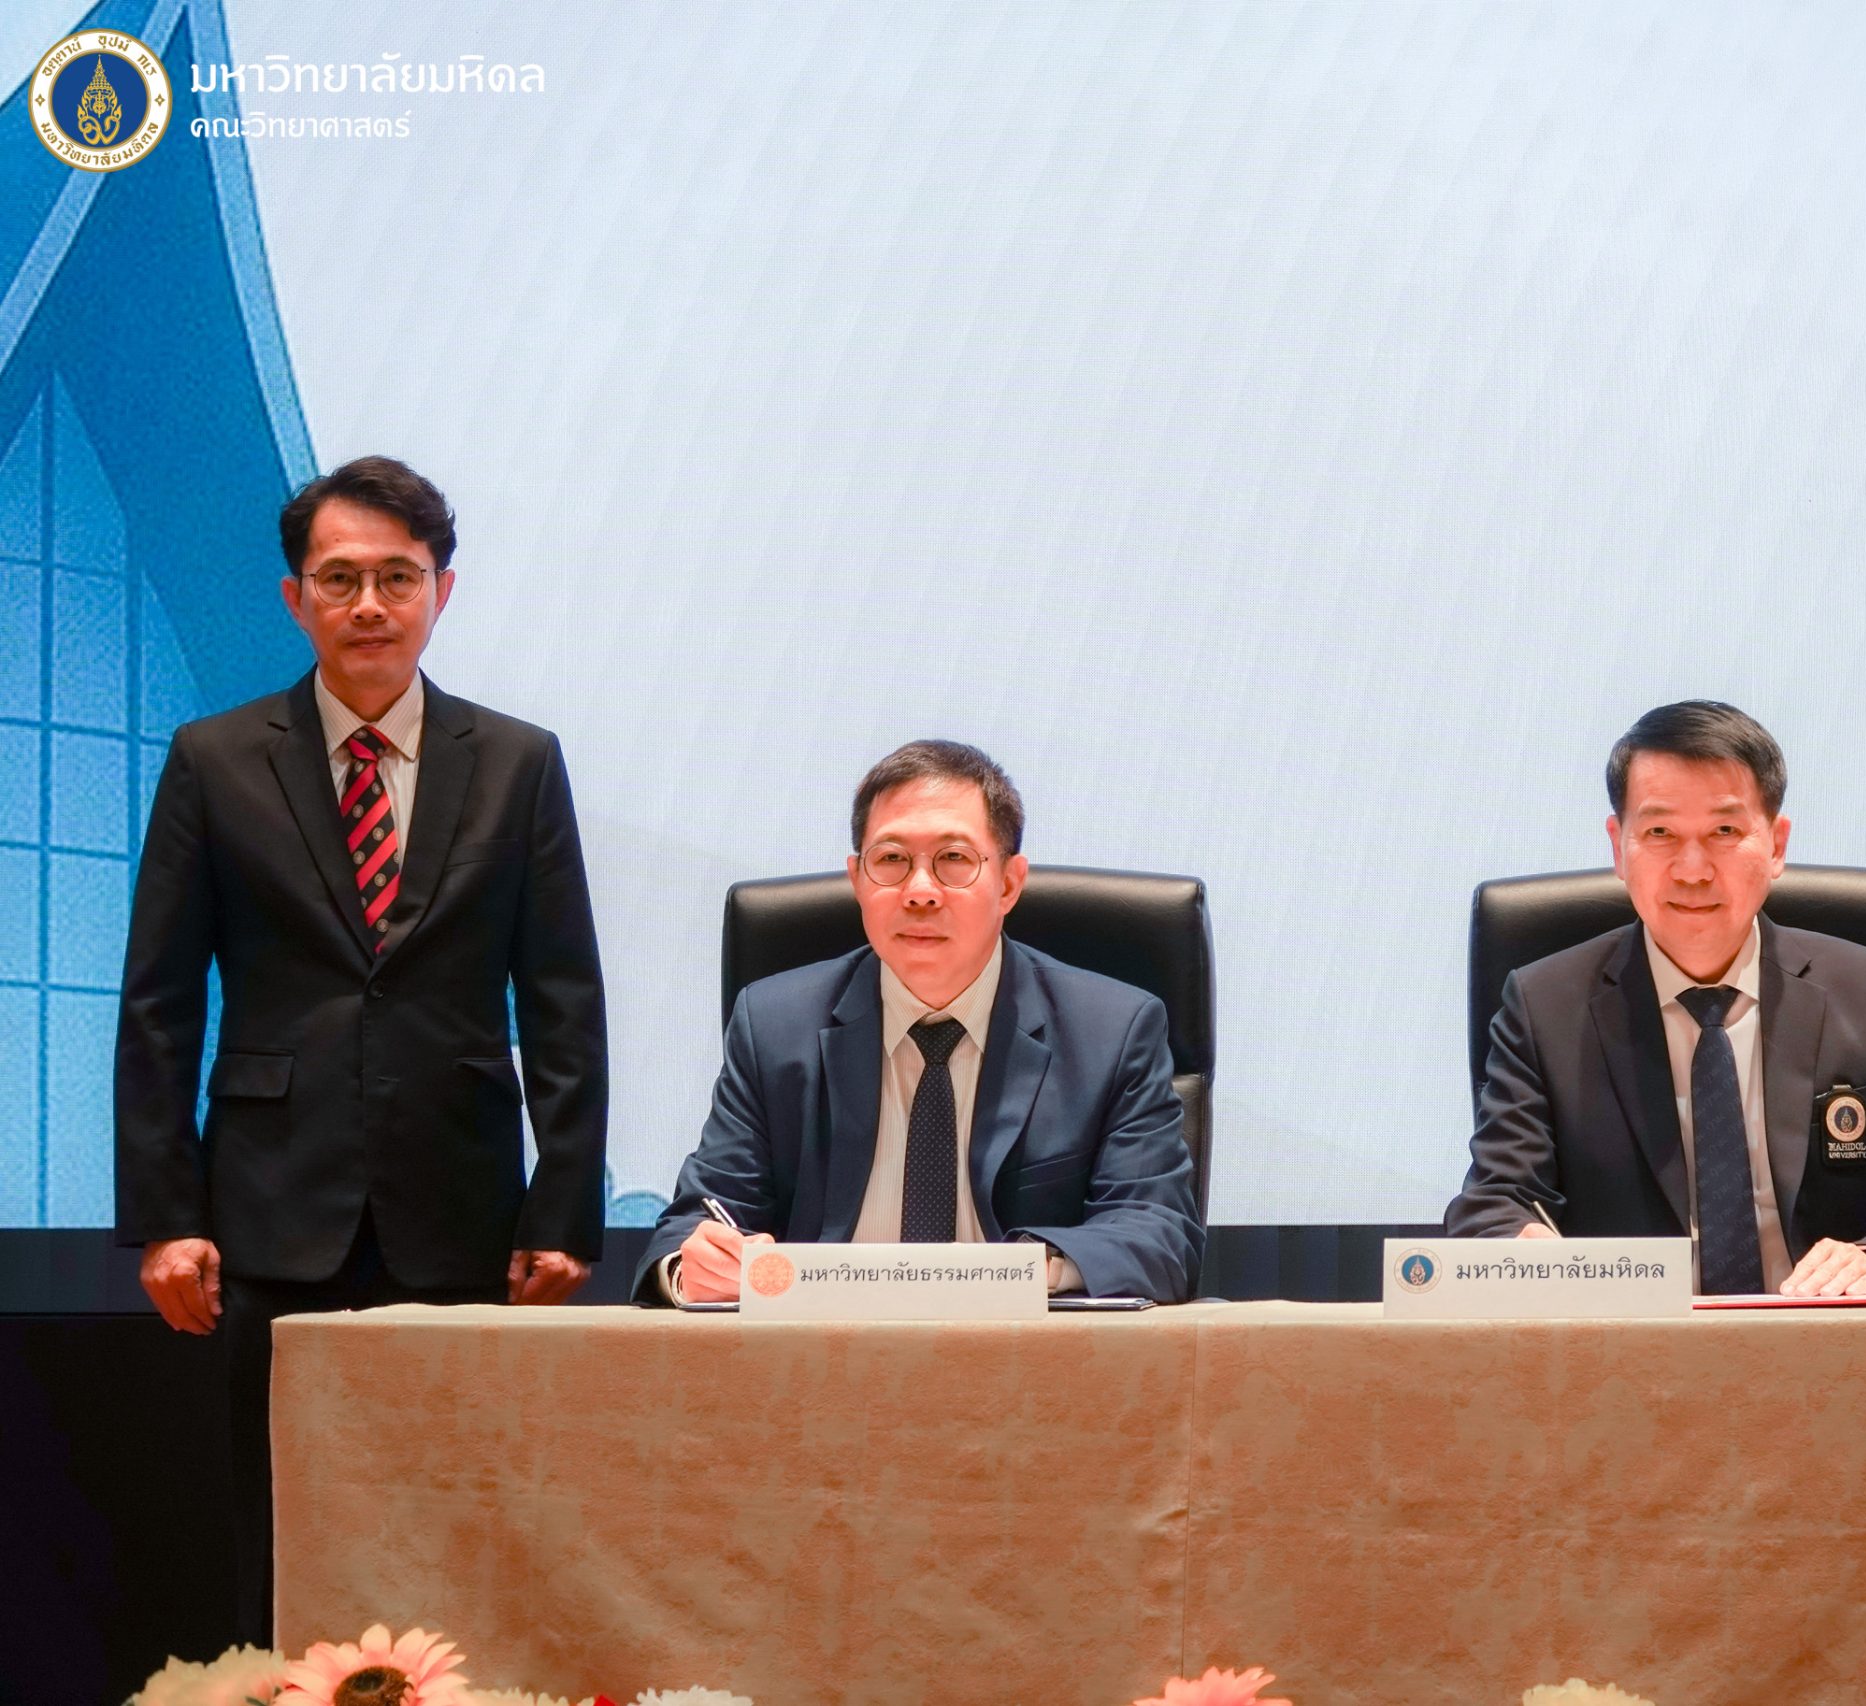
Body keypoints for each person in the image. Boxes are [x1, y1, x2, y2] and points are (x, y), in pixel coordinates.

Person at [114, 456, 609, 1640]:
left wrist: (563, 1209)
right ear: (296, 598)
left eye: (399, 576)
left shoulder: (519, 761)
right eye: (341, 579)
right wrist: (167, 1213)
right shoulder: (214, 758)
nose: (371, 604)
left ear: (444, 589)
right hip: (271, 1211)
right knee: (284, 1524)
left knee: (464, 1522)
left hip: (466, 1210)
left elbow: (563, 1001)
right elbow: (159, 1003)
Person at [638, 739, 1203, 1304]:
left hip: (1022, 1344)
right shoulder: (774, 1026)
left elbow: (1157, 1235)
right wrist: (693, 1268)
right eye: (891, 860)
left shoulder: (1112, 1031)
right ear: (857, 880)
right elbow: (694, 1223)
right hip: (823, 1345)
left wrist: (1009, 1276)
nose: (921, 892)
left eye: (954, 859)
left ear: (1009, 884)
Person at [1446, 702, 1866, 1298]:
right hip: (1633, 1341)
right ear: (1618, 848)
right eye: (1660, 833)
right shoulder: (1545, 1007)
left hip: (1822, 1337)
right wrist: (1531, 1253)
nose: (1693, 870)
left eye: (1725, 832)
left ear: (1776, 845)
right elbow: (1494, 1202)